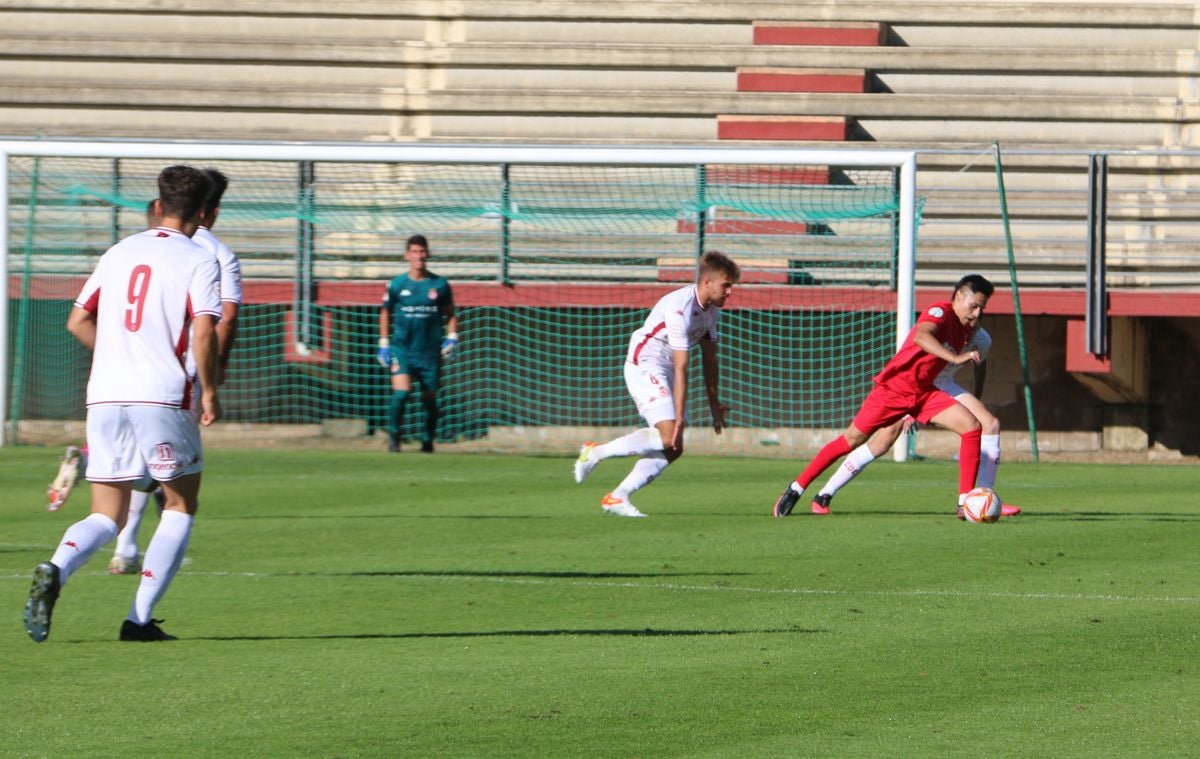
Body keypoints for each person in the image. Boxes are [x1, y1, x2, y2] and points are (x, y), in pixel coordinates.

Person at [23, 165, 222, 643]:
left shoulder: (118, 252)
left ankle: (57, 565)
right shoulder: (199, 260)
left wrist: (119, 353)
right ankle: (138, 620)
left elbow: (77, 321)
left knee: (105, 515)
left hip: (105, 393)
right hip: (162, 395)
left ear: (157, 206)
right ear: (204, 213)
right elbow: (203, 330)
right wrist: (210, 389)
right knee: (178, 504)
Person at [108, 171, 243, 575]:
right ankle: (140, 595)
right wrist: (214, 376)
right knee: (175, 482)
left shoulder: (136, 246)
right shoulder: (215, 253)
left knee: (135, 461)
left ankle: (126, 547)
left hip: (120, 370)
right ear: (212, 211)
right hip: (176, 377)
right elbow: (225, 319)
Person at [773, 274, 994, 519]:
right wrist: (955, 358)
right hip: (894, 390)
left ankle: (965, 503)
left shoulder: (967, 331)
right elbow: (922, 336)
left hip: (924, 392)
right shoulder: (940, 311)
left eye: (981, 309)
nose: (976, 314)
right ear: (959, 296)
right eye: (974, 306)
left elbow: (977, 363)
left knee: (972, 426)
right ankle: (796, 488)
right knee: (851, 440)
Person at [573, 251, 741, 517]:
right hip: (646, 362)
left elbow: (710, 360)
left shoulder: (712, 312)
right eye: (726, 285)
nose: (730, 291)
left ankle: (617, 497)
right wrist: (679, 420)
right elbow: (683, 364)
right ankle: (595, 452)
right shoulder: (680, 307)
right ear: (707, 282)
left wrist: (714, 404)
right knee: (667, 434)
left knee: (674, 447)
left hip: (667, 369)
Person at [806, 323, 1021, 518]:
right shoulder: (943, 330)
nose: (973, 319)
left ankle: (985, 499)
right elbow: (913, 364)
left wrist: (977, 395)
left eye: (978, 314)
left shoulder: (982, 338)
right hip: (911, 387)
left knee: (990, 424)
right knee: (882, 443)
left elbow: (980, 365)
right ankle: (823, 496)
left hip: (944, 386)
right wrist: (911, 411)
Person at [377, 234, 459, 453]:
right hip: (402, 349)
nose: (418, 256)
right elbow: (385, 312)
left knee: (430, 398)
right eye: (414, 251)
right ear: (407, 255)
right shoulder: (396, 284)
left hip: (429, 352)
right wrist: (384, 344)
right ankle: (394, 437)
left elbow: (450, 314)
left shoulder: (440, 284)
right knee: (401, 393)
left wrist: (452, 337)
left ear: (428, 254)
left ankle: (427, 440)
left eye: (422, 251)